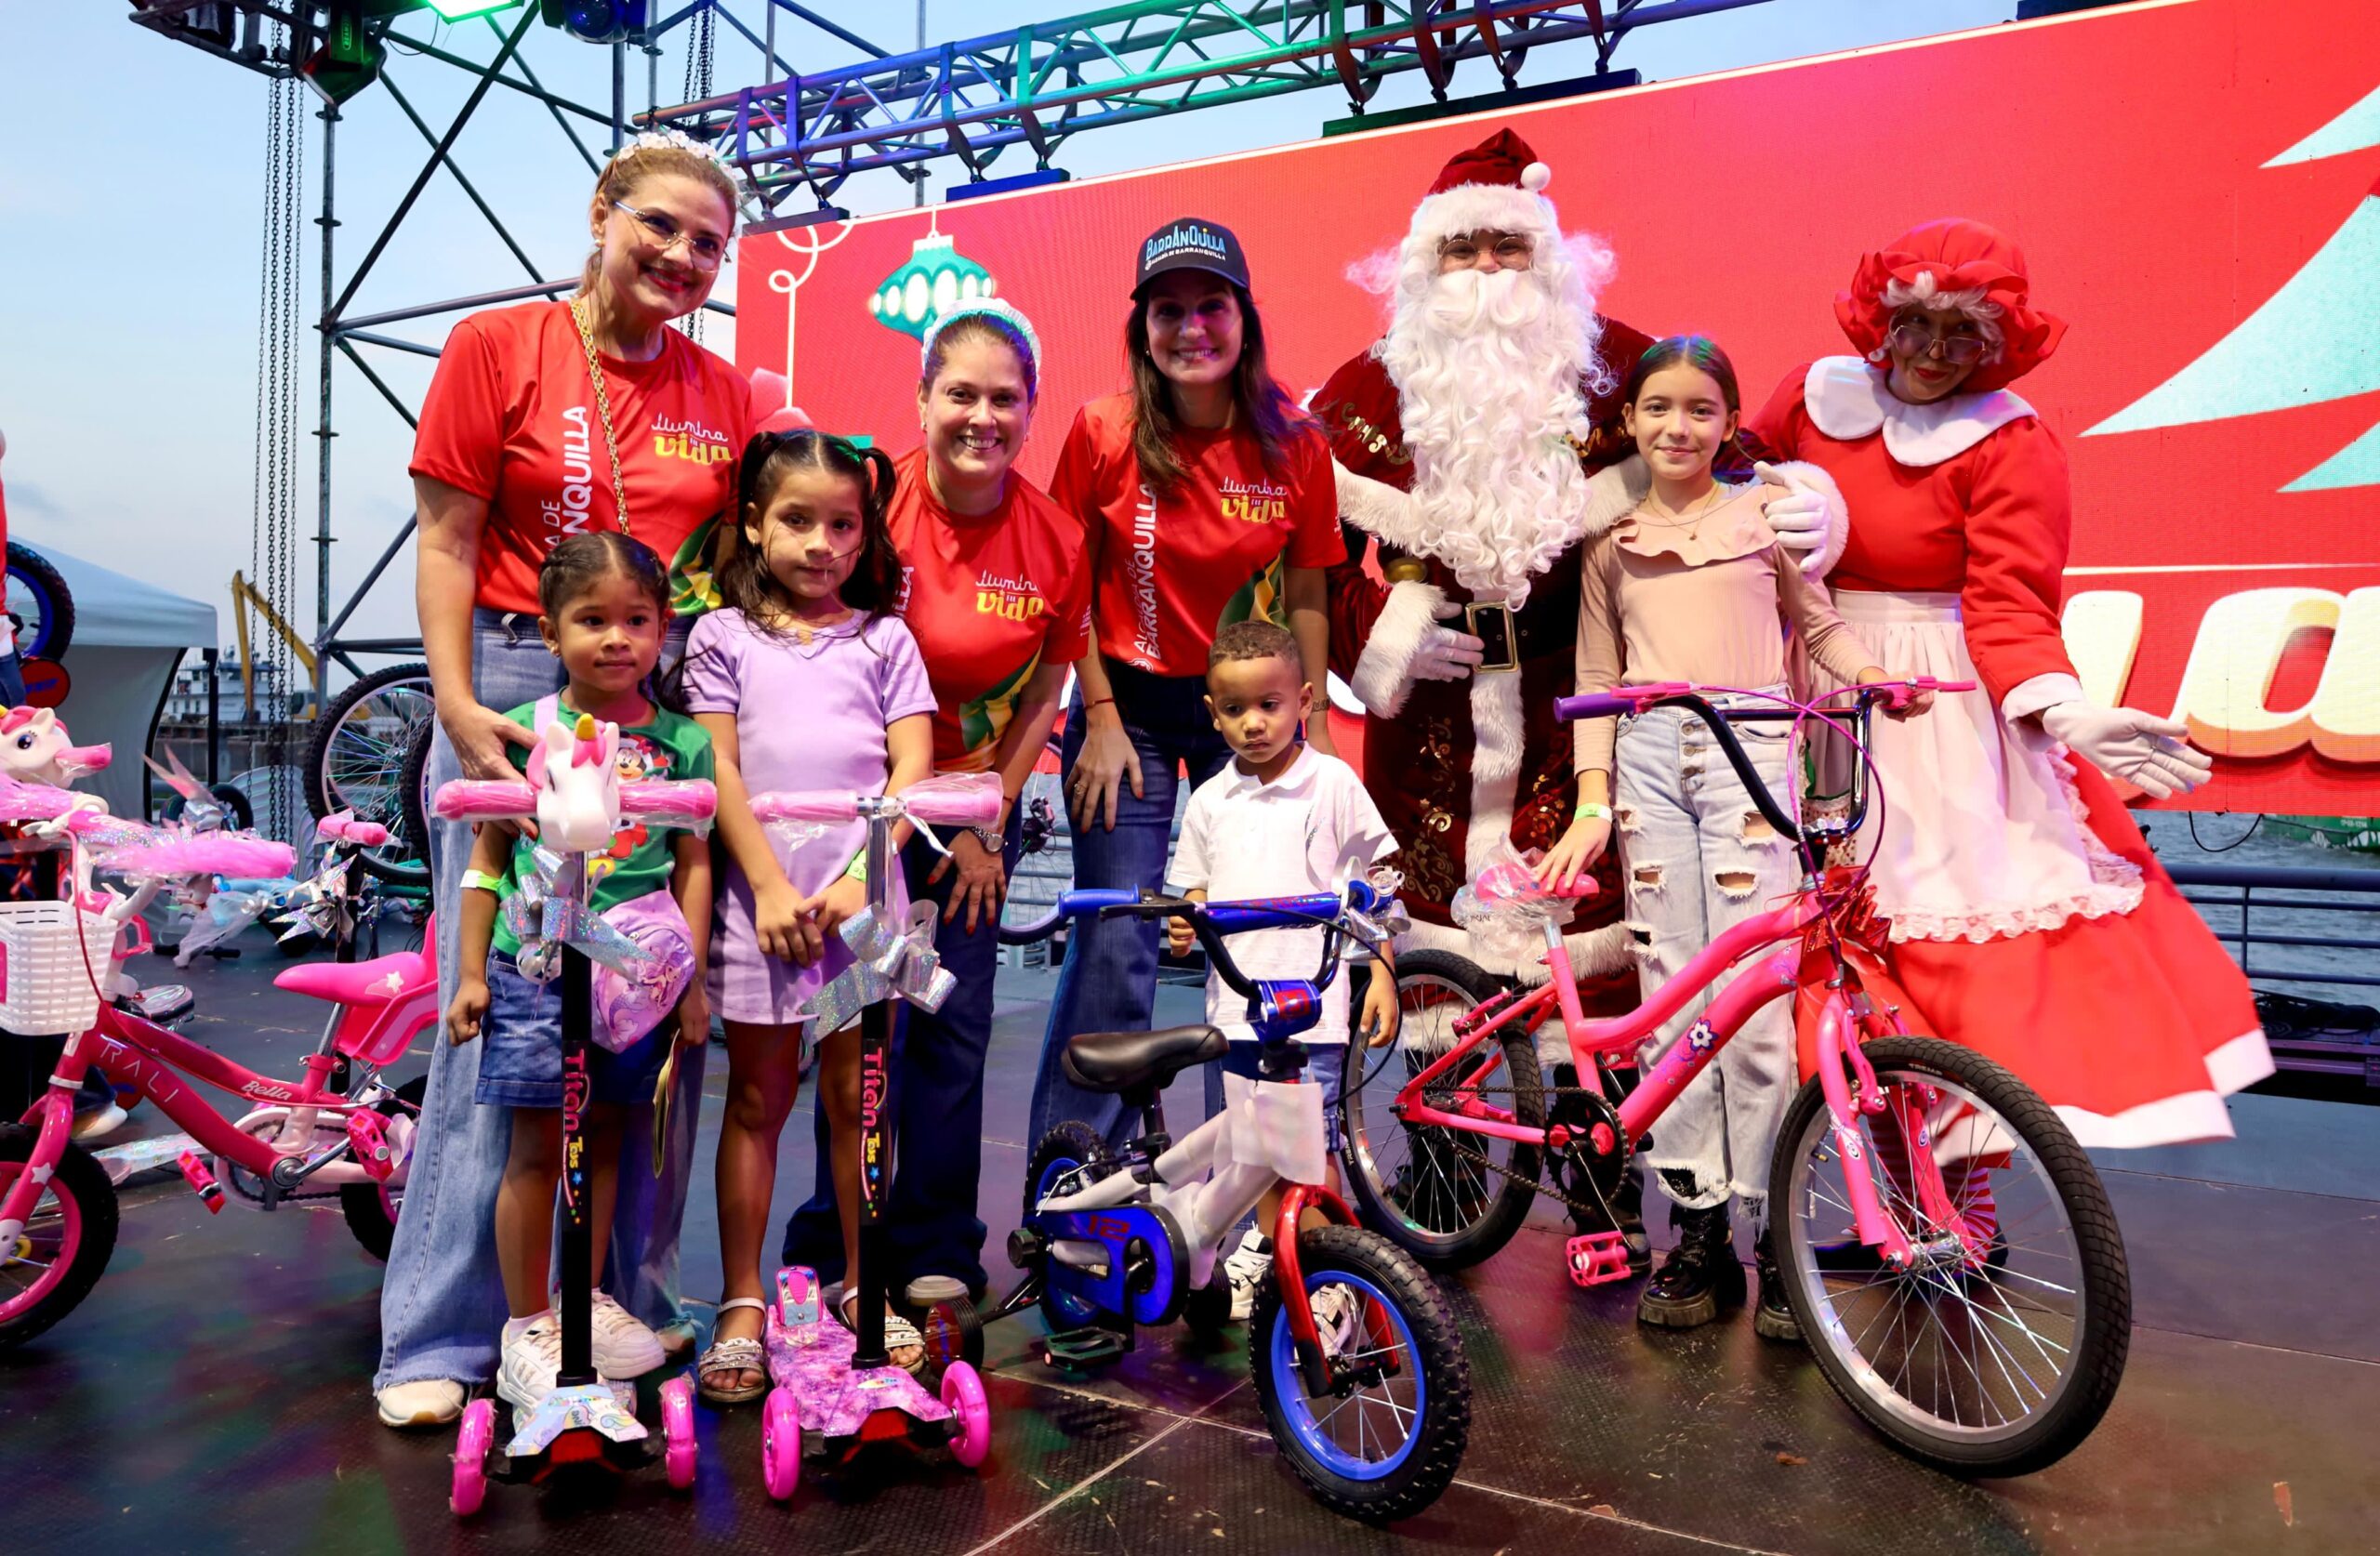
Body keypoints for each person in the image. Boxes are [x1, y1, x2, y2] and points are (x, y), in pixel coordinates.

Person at [1739, 218, 2271, 1147]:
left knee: (1939, 942)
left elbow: (2008, 603)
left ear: (1998, 345)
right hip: (1805, 677)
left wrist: (2062, 709)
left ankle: (1963, 1205)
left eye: (1962, 337)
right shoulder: (1811, 396)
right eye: (1914, 327)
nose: (1931, 356)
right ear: (1879, 317)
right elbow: (1727, 475)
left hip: (1930, 703)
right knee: (1817, 945)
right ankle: (1872, 1193)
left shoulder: (2011, 443)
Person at [379, 128, 756, 1430]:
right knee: (497, 1021)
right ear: (602, 212)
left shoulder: (728, 393)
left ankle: (613, 1302)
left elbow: (746, 571)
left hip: (659, 700)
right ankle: (436, 1333)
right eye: (660, 226)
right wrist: (456, 702)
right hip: (511, 677)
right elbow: (450, 531)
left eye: (710, 243)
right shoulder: (501, 348)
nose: (683, 257)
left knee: (647, 1023)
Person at [1544, 336, 1914, 1339]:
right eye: (1657, 408)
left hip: (1753, 746)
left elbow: (1822, 628)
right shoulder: (1611, 542)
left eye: (1700, 409)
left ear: (1728, 421)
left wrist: (1878, 680)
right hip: (1650, 759)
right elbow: (1595, 683)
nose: (1677, 427)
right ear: (1629, 424)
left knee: (1755, 1006)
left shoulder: (1764, 525)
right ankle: (1695, 1230)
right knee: (1675, 991)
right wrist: (1591, 801)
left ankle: (1773, 1240)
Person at [779, 300, 1088, 1304]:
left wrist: (982, 820)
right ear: (920, 399)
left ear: (1030, 412)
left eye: (1005, 399)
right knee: (864, 1024)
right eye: (960, 393)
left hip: (962, 818)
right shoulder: (866, 500)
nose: (980, 417)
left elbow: (1044, 692)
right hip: (855, 810)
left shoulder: (1053, 538)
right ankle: (832, 1235)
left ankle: (940, 1244)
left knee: (954, 1023)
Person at [1027, 218, 1344, 1157]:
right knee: (1116, 939)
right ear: (1142, 327)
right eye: (1169, 309)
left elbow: (1307, 590)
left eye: (1211, 305)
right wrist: (1098, 717)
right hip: (1123, 709)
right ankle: (1074, 1173)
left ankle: (1253, 1182)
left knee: (1254, 941)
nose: (1191, 326)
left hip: (1246, 717)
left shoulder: (1295, 443)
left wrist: (1310, 729)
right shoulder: (1101, 430)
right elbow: (1067, 585)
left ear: (1243, 316)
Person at [683, 431, 939, 1401]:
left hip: (863, 907)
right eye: (797, 519)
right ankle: (742, 1300)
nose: (823, 542)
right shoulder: (721, 639)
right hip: (761, 907)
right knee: (756, 1101)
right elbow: (719, 769)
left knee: (856, 1100)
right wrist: (775, 891)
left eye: (843, 523)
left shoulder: (884, 638)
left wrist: (851, 886)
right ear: (753, 523)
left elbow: (910, 769)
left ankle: (865, 1284)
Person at [443, 534, 714, 1417]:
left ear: (662, 629)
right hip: (537, 967)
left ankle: (579, 1304)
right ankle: (527, 1322)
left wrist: (692, 984)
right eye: (591, 620)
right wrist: (471, 973)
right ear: (550, 631)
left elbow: (692, 869)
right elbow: (485, 861)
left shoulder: (682, 744)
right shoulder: (528, 736)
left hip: (637, 977)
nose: (616, 639)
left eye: (636, 620)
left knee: (602, 1139)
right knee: (534, 1146)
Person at [1165, 620, 1400, 1317]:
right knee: (1262, 1159)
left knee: (1302, 1157)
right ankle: (1293, 1280)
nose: (1253, 724)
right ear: (1212, 713)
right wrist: (1189, 917)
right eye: (1234, 710)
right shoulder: (1210, 800)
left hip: (1311, 1011)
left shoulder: (1332, 784)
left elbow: (1374, 884)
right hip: (1237, 1014)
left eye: (1269, 705)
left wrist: (1381, 970)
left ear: (1302, 699)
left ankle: (1327, 1295)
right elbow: (1196, 888)